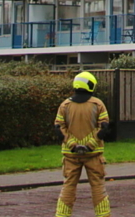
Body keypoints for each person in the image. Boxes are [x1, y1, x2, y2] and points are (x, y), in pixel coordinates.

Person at [53, 71, 111, 217]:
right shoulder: (98, 104)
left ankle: (62, 215)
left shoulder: (64, 105)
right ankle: (103, 214)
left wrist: (73, 145)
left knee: (68, 187)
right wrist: (89, 145)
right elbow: (103, 127)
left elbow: (59, 128)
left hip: (71, 155)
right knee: (98, 187)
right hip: (93, 154)